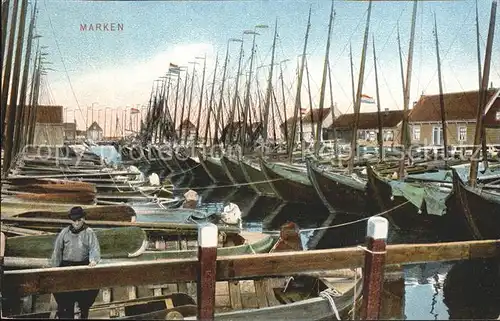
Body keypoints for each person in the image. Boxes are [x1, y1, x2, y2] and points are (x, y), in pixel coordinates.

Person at [50, 206, 101, 319]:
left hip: (82, 267)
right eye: (74, 220)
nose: (77, 223)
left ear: (83, 219)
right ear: (71, 220)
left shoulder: (89, 232)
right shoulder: (65, 232)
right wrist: (55, 267)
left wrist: (93, 260)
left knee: (85, 297)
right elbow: (57, 251)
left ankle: (83, 313)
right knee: (65, 298)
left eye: (79, 220)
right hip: (66, 267)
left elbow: (94, 249)